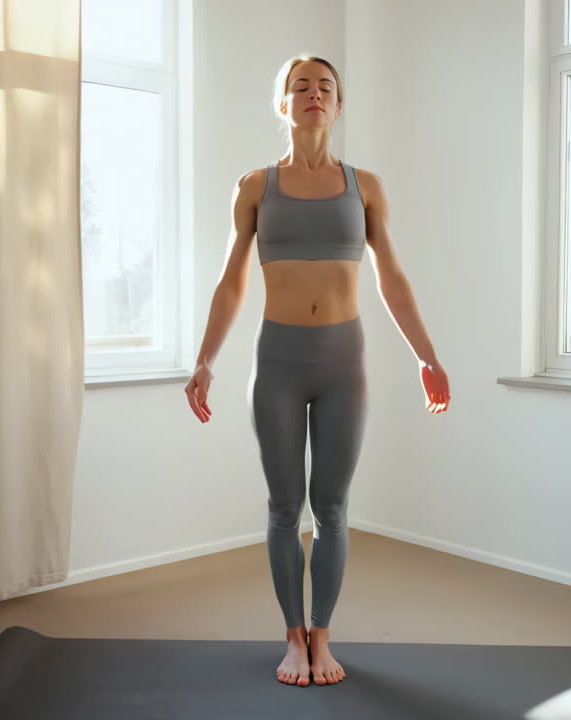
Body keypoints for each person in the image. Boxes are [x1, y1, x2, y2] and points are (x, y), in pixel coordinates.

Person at [184, 54, 451, 687]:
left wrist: (426, 355)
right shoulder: (254, 186)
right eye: (299, 86)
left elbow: (393, 280)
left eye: (325, 87)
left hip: (343, 363)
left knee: (331, 507)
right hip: (276, 361)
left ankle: (322, 634)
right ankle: (291, 638)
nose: (313, 94)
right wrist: (203, 362)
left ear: (338, 105)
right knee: (284, 506)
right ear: (283, 104)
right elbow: (231, 283)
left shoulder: (367, 187)